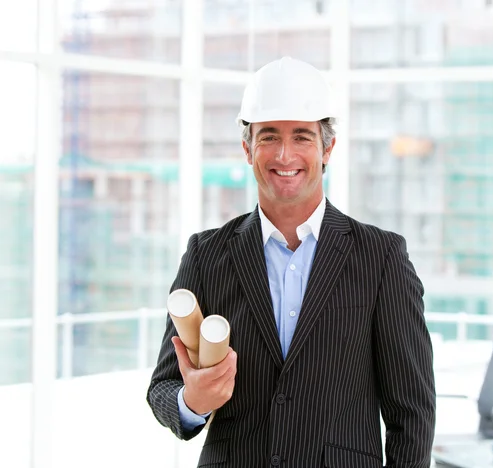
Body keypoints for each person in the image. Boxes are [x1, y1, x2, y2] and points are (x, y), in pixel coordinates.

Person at [147, 56, 435, 468]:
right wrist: (192, 402)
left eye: (301, 136)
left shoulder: (381, 257)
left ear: (327, 148)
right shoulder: (207, 255)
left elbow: (412, 414)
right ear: (248, 149)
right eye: (268, 137)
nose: (284, 155)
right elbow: (162, 388)